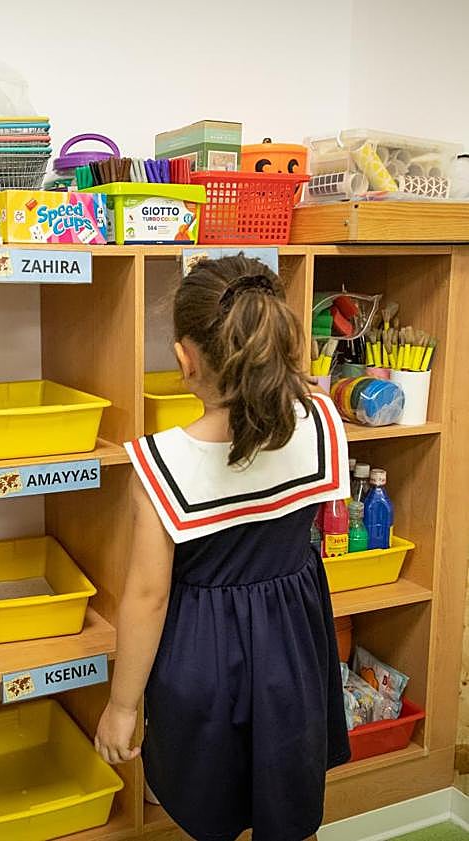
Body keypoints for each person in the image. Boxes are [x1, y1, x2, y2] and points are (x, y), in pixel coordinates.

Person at [95, 255, 350, 841]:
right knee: (291, 810)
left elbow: (149, 596)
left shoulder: (161, 464)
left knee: (211, 810)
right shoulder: (324, 422)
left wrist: (123, 706)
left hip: (203, 660)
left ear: (185, 359)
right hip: (294, 649)